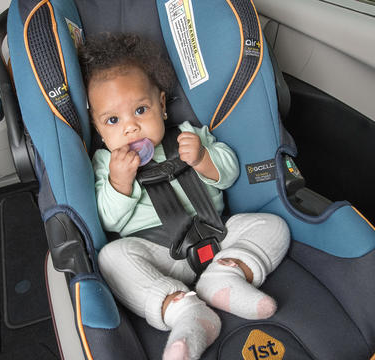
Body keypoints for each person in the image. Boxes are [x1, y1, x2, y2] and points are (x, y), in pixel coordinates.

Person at [80, 33, 290, 360]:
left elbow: (230, 172)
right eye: (113, 120)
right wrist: (119, 183)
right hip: (159, 256)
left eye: (140, 109)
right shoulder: (105, 164)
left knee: (273, 225)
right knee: (112, 258)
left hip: (218, 235)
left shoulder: (190, 135)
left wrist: (204, 159)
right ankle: (184, 312)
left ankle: (227, 275)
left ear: (162, 106)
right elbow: (107, 218)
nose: (131, 128)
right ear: (98, 127)